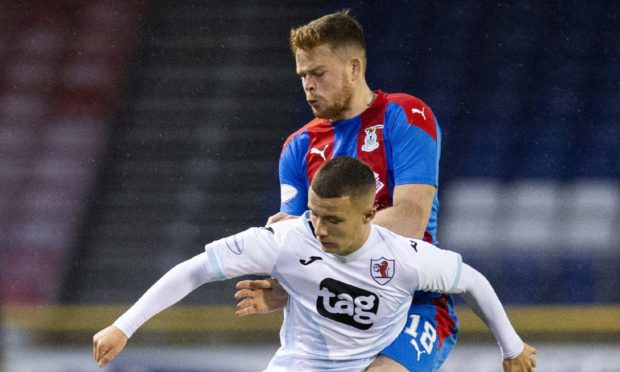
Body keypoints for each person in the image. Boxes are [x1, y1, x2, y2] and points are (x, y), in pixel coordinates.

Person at [93, 157, 537, 371]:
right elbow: (196, 269)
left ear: (368, 215)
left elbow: (473, 282)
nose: (319, 228)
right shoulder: (287, 239)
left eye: (333, 218)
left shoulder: (403, 258)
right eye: (314, 213)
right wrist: (123, 326)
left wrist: (511, 348)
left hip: (369, 361)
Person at [235, 9, 451, 371]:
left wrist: (308, 240)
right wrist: (288, 286)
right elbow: (295, 242)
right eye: (303, 75)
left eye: (319, 73)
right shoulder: (298, 147)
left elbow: (410, 220)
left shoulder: (406, 116)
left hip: (415, 304)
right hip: (336, 309)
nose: (308, 86)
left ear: (354, 68)